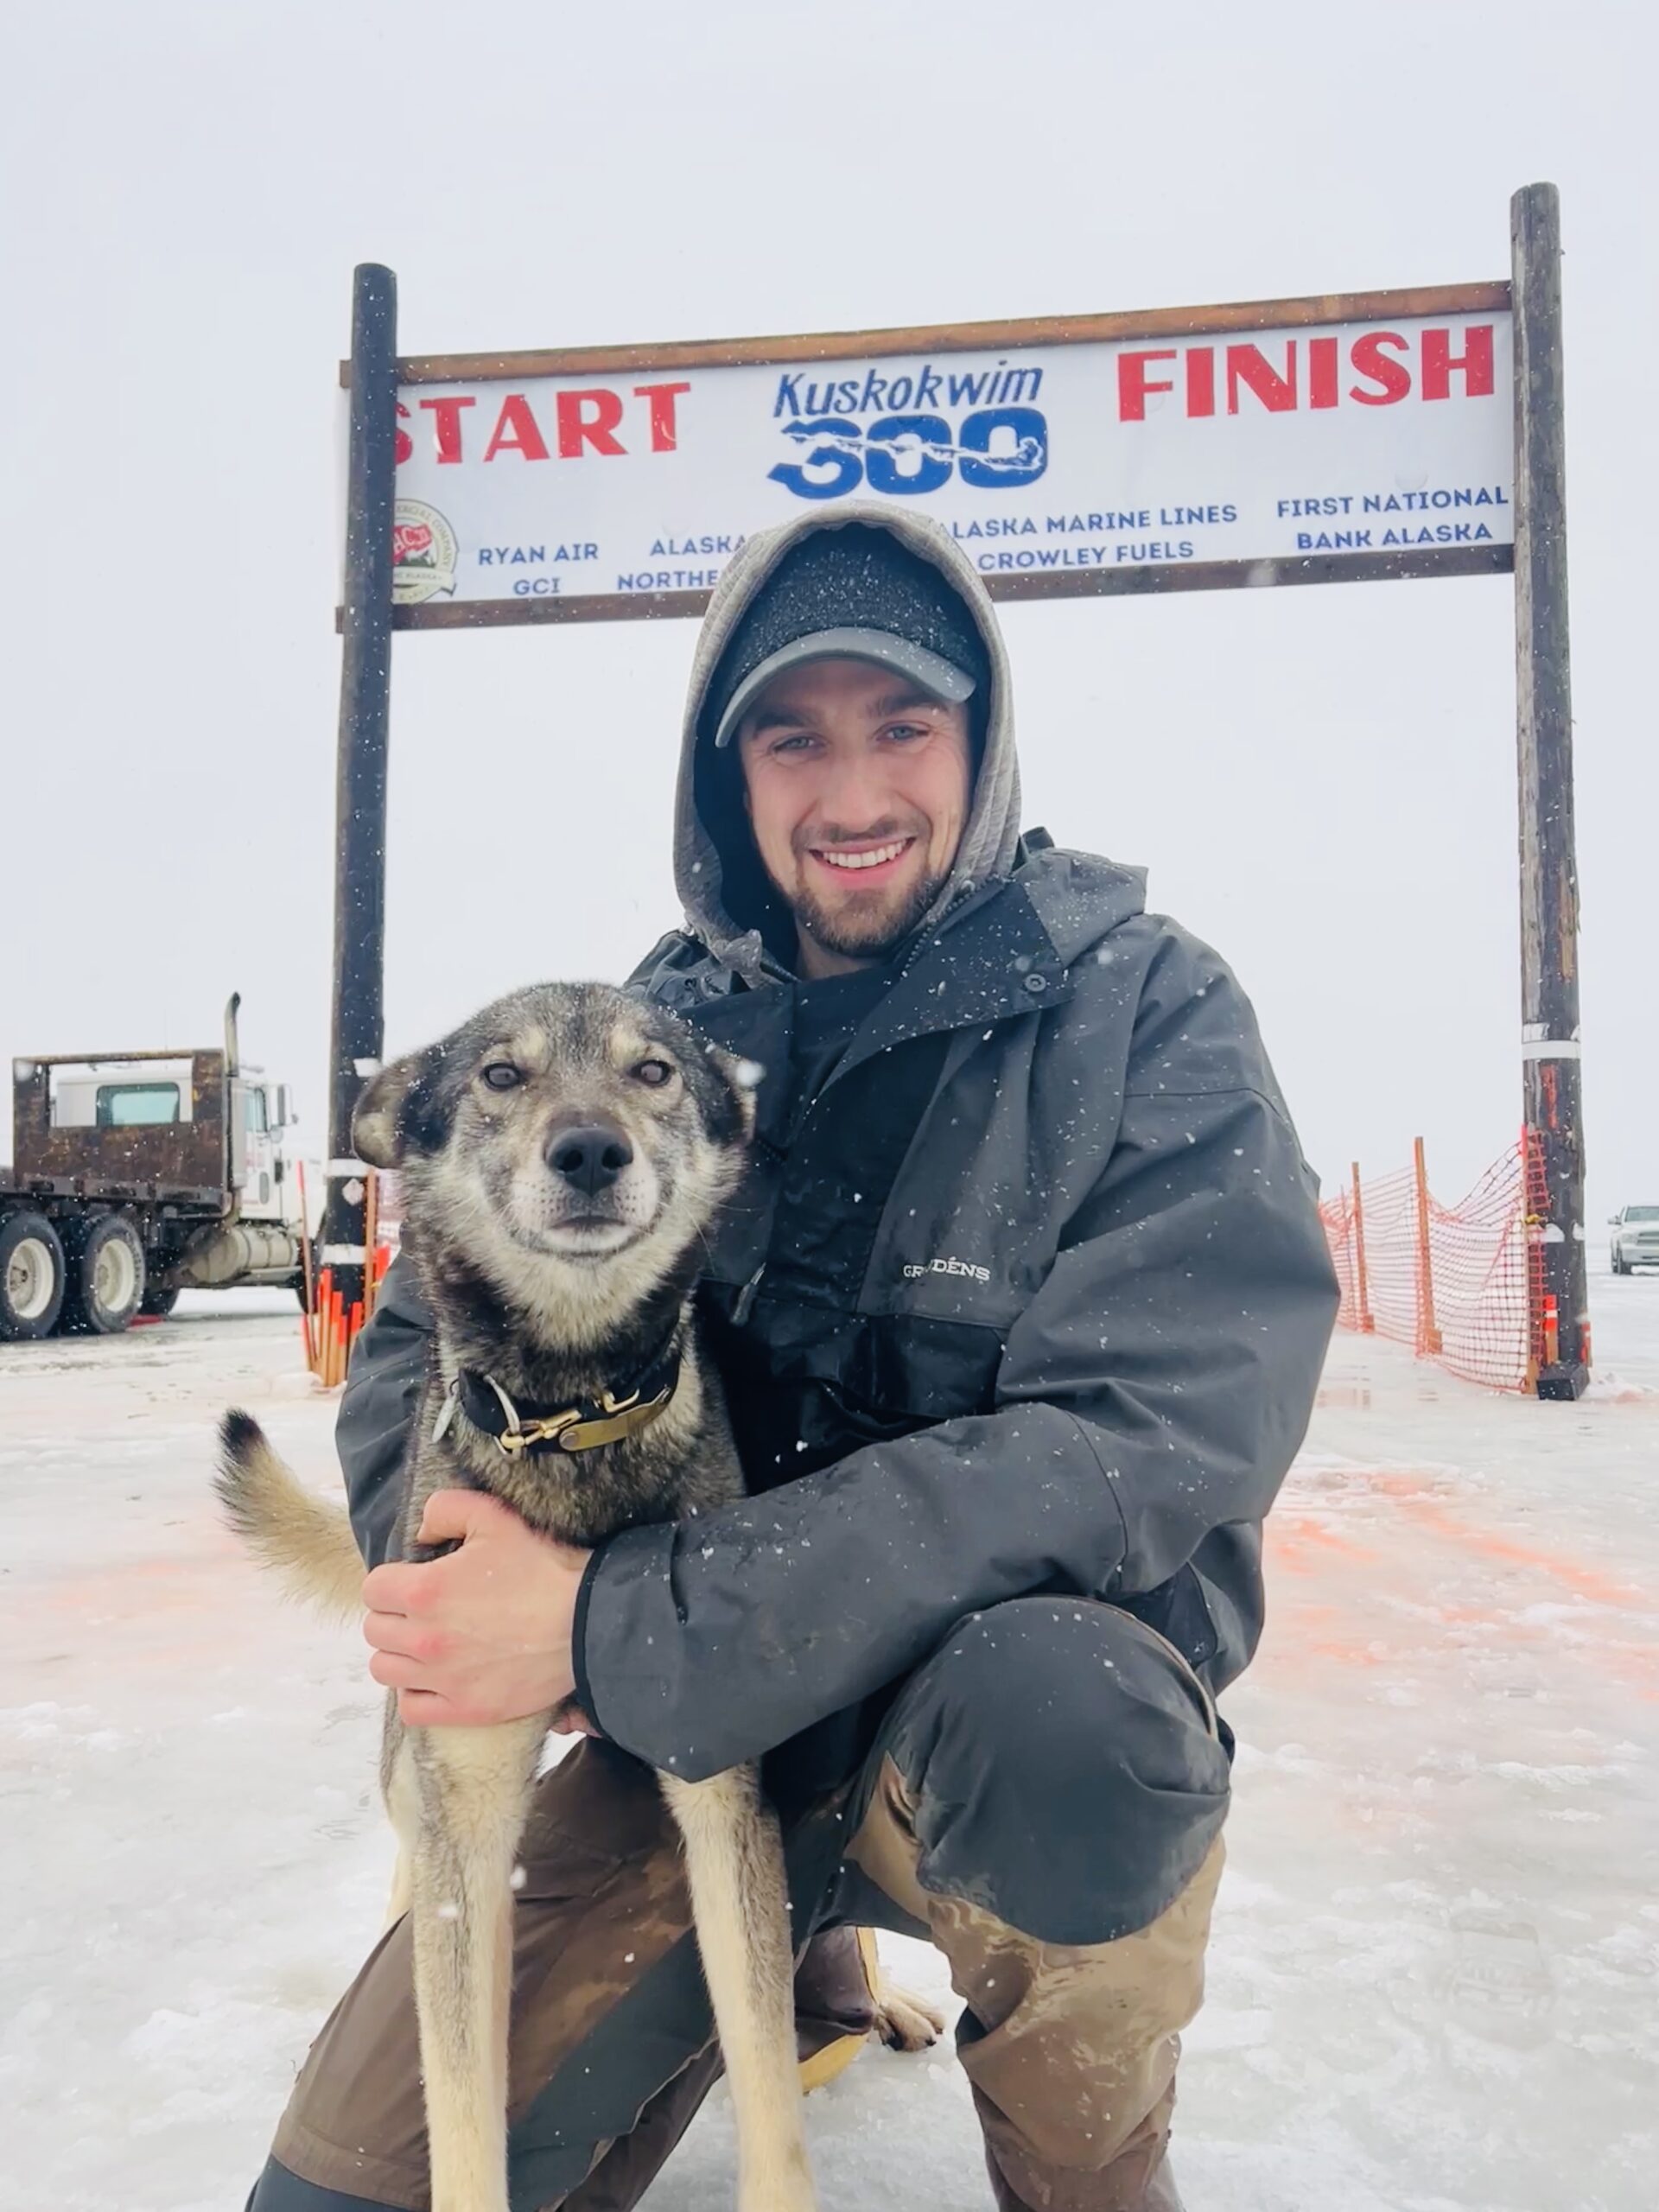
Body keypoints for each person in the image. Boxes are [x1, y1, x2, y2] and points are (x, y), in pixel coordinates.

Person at [247, 506, 1339, 2211]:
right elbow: (419, 1328)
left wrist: (618, 1620)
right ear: (728, 774)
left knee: (1070, 1722)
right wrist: (455, 1548)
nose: (849, 794)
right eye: (792, 736)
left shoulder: (1146, 1011)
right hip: (698, 1731)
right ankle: (801, 1949)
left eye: (901, 726)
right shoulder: (664, 1027)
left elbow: (1139, 1443)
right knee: (339, 2200)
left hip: (978, 1722)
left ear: (979, 743)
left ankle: (1088, 2165)